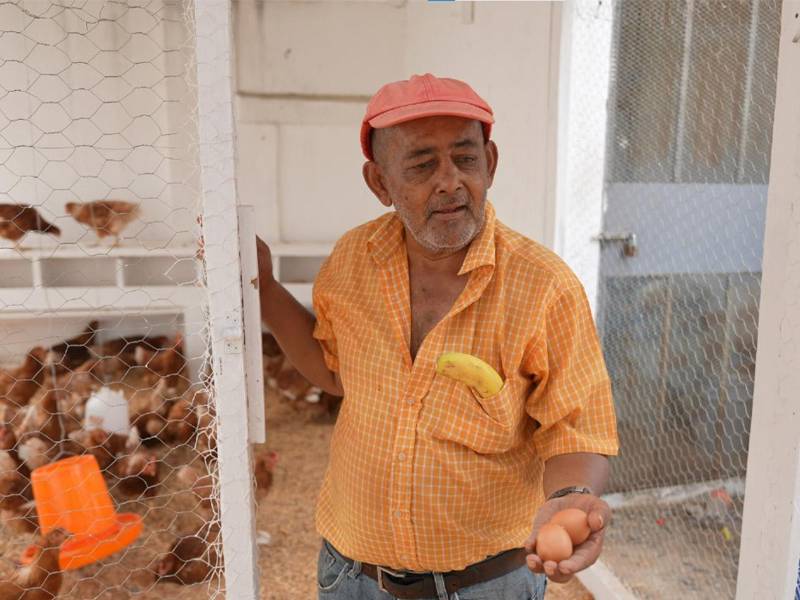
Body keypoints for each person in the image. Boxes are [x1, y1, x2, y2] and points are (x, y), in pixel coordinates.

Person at [257, 73, 619, 600]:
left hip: (484, 585)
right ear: (379, 183)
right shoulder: (352, 261)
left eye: (465, 159)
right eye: (422, 165)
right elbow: (333, 370)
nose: (449, 181)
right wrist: (264, 288)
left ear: (490, 163)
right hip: (351, 578)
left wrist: (569, 499)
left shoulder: (544, 286)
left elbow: (577, 428)